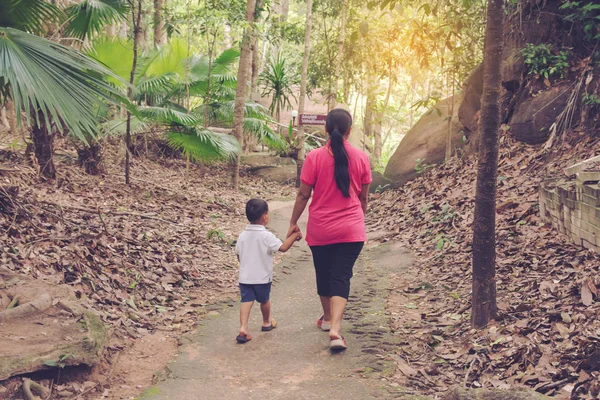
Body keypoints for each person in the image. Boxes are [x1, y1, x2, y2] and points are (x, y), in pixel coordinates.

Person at [287, 108, 372, 351]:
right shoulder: (362, 158)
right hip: (351, 230)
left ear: (325, 129)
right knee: (341, 276)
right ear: (350, 130)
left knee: (324, 274)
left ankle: (327, 319)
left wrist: (293, 222)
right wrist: (357, 222)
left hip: (321, 229)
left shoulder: (314, 157)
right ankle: (334, 328)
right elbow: (363, 198)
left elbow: (304, 194)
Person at [235, 198, 301, 343]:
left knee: (246, 301)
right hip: (262, 278)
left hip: (245, 277)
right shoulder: (266, 236)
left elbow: (238, 254)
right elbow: (282, 248)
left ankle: (243, 327)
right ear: (265, 216)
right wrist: (295, 236)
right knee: (264, 300)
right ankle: (266, 322)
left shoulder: (242, 236)